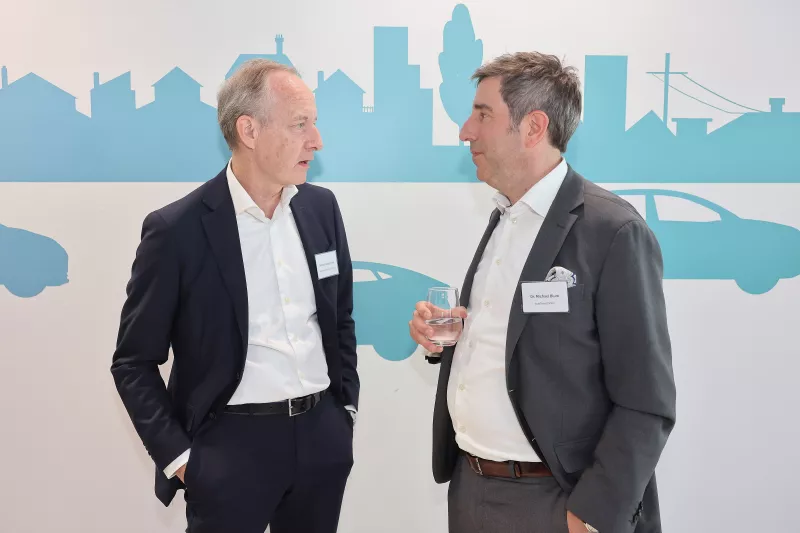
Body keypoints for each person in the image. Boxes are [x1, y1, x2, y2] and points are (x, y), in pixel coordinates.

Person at [409, 52, 676, 533]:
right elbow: (520, 343)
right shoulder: (504, 216)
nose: (466, 131)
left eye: (483, 115)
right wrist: (446, 340)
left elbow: (646, 399)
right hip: (471, 489)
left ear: (533, 127)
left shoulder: (613, 231)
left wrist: (591, 515)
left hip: (557, 501)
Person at [110, 59, 359, 533]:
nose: (316, 140)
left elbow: (339, 317)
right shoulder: (176, 229)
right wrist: (183, 460)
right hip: (230, 450)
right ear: (249, 130)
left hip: (321, 440)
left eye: (314, 123)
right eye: (300, 124)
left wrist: (343, 412)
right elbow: (133, 362)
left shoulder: (321, 208)